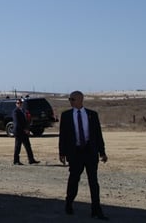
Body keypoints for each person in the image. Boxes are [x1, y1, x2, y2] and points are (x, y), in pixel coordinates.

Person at [58, 90, 109, 220]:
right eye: (69, 99)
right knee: (74, 180)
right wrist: (62, 153)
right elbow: (63, 136)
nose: (70, 101)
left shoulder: (92, 115)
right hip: (75, 153)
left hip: (90, 152)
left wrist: (102, 152)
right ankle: (69, 203)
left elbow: (98, 135)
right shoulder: (66, 115)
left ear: (80, 100)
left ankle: (96, 209)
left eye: (72, 99)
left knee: (93, 182)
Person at [12, 98, 39, 165]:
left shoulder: (24, 111)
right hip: (18, 131)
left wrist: (27, 129)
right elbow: (17, 122)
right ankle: (16, 161)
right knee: (18, 147)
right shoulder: (15, 111)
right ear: (16, 104)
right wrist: (24, 129)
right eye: (18, 103)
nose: (19, 104)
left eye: (20, 103)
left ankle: (31, 159)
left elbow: (26, 121)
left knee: (28, 146)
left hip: (24, 131)